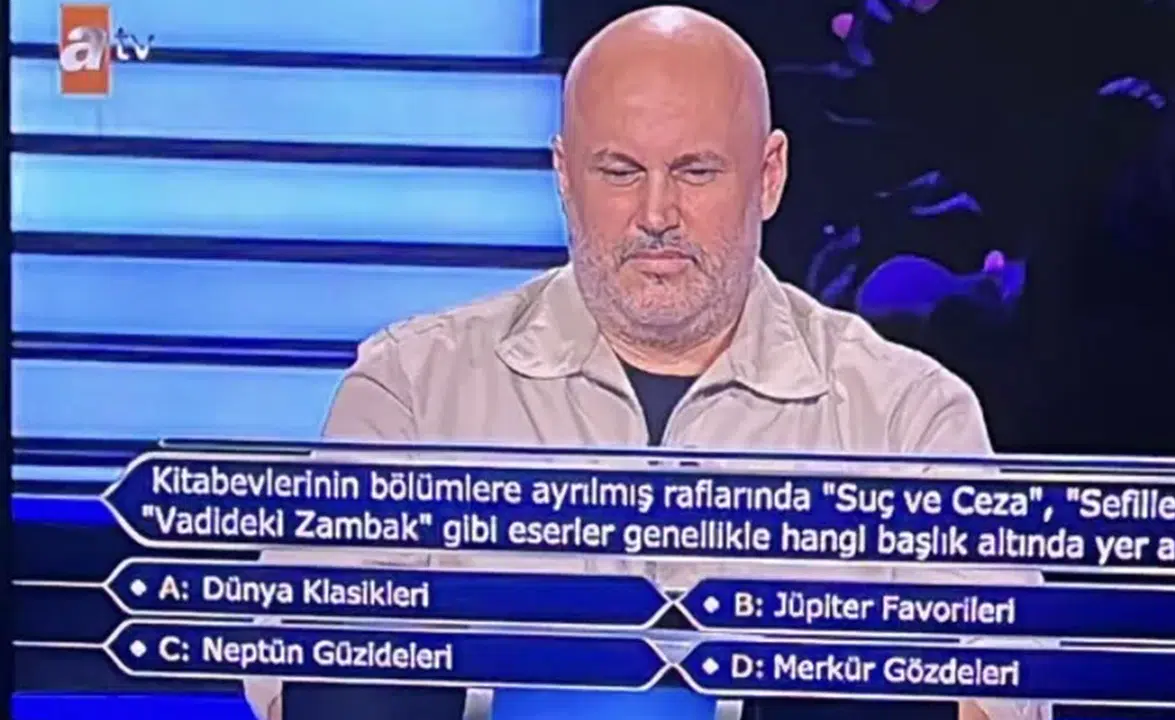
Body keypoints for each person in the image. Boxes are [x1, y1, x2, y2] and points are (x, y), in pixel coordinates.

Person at [248, 6, 1046, 720]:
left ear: (769, 176)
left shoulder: (907, 417)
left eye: (695, 171)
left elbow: (1001, 694)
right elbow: (299, 674)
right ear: (564, 177)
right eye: (620, 172)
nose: (656, 214)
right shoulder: (412, 391)